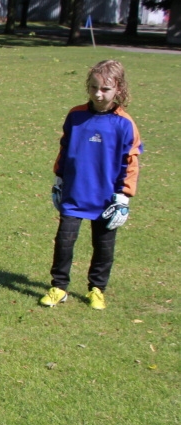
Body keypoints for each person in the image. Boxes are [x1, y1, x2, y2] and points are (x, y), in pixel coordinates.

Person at [40, 60, 141, 310]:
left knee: (104, 247)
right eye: (94, 87)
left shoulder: (124, 123)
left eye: (105, 89)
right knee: (64, 241)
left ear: (118, 89)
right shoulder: (76, 115)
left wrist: (124, 197)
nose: (98, 94)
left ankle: (97, 289)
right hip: (74, 194)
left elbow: (130, 162)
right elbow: (65, 149)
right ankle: (59, 287)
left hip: (107, 199)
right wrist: (59, 179)